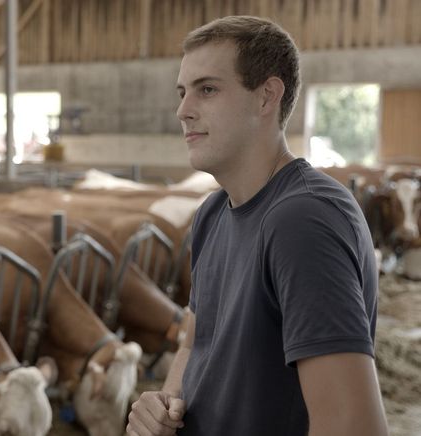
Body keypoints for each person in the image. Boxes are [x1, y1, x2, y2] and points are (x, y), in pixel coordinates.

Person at [127, 16, 388, 436]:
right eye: (182, 92)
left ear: (267, 96)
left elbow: (352, 425)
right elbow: (195, 343)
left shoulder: (304, 218)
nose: (182, 110)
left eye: (206, 89)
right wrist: (164, 404)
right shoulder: (213, 213)